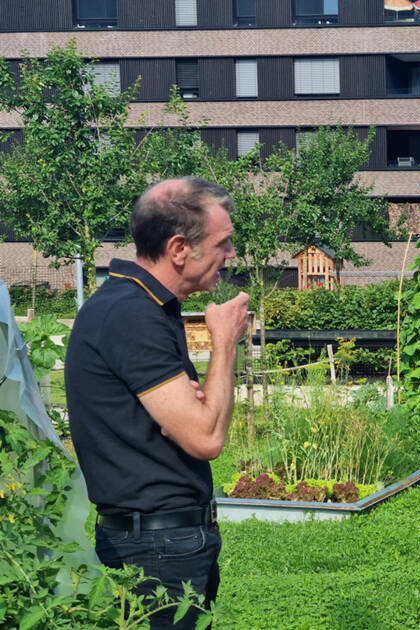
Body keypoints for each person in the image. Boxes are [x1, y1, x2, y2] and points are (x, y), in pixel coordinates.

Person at [66, 177, 249, 629]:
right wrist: (224, 342)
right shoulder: (132, 315)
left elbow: (200, 423)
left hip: (166, 540)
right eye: (224, 243)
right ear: (179, 248)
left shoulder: (144, 305)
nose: (232, 255)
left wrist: (195, 414)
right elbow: (206, 436)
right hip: (156, 549)